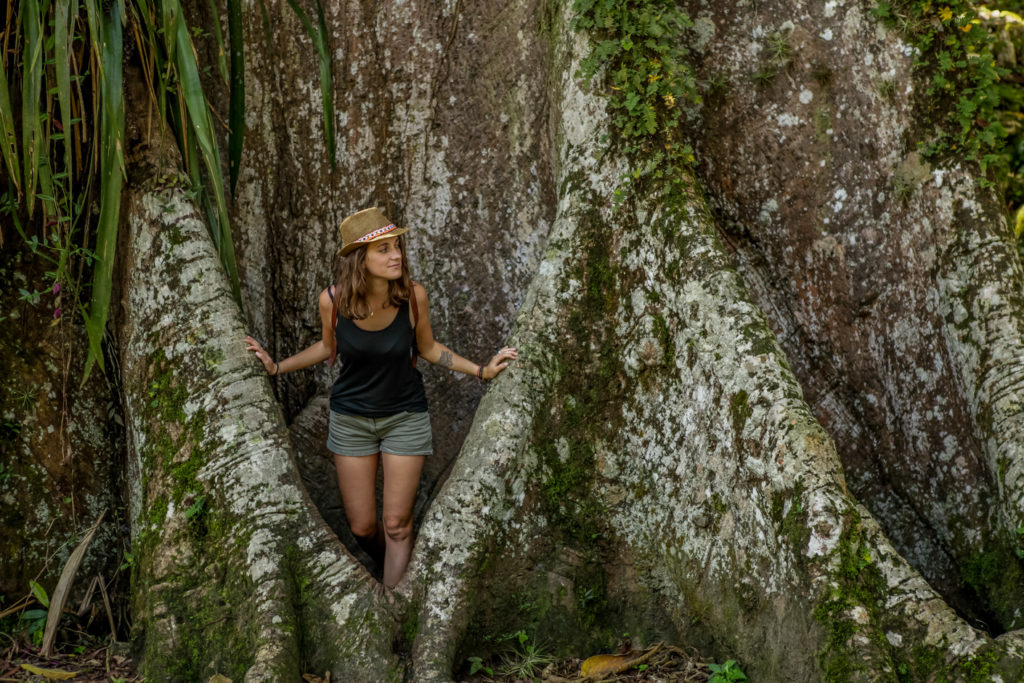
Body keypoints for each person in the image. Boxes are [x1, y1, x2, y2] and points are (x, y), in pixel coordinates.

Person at [245, 207, 517, 588]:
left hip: (404, 417)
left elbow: (428, 348)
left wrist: (482, 371)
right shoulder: (333, 301)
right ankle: (388, 568)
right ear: (361, 260)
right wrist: (276, 368)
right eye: (383, 249)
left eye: (397, 247)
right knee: (363, 526)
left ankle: (392, 606)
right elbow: (327, 348)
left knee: (397, 524)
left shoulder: (413, 297)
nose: (396, 256)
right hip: (351, 419)